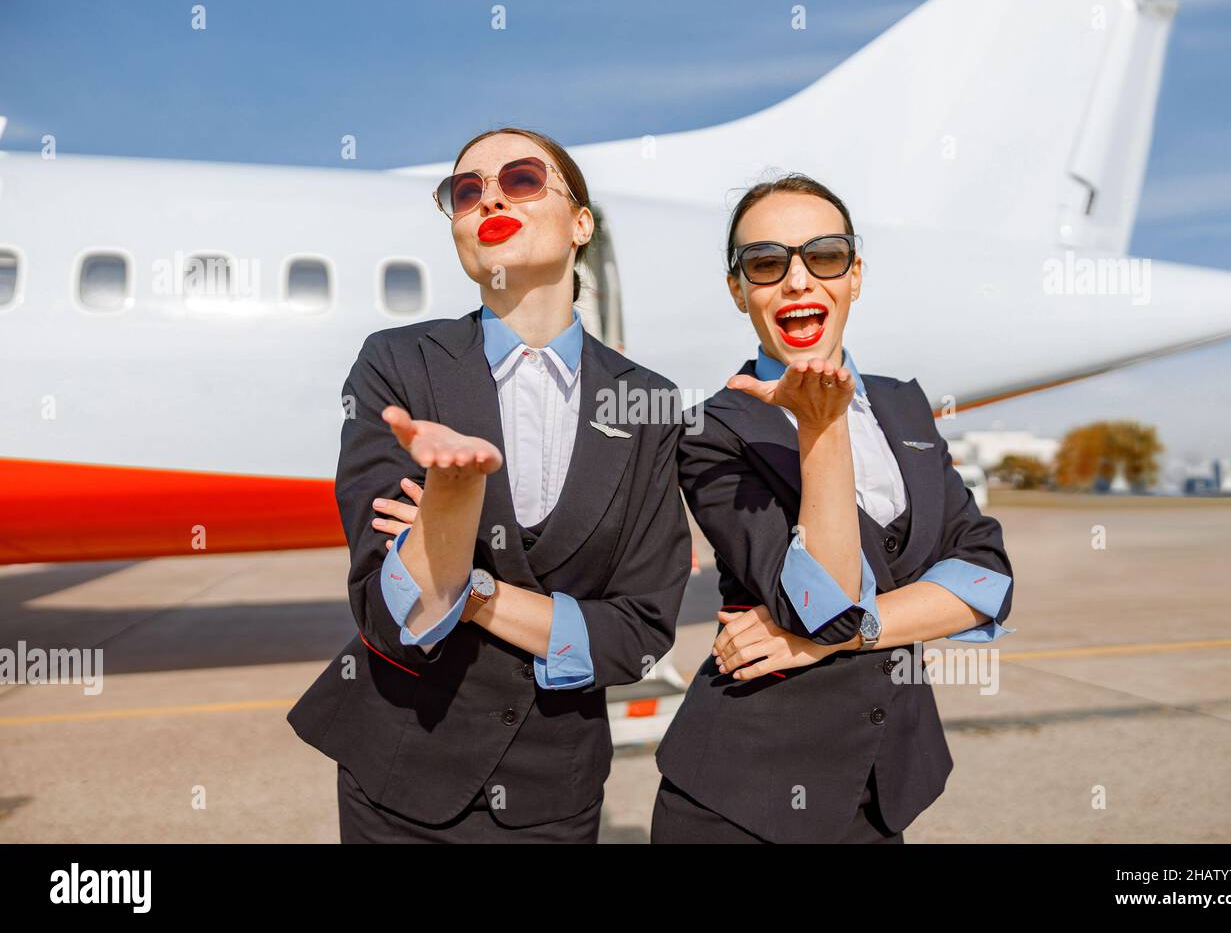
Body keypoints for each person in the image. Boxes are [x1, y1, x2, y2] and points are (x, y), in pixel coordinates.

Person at [287, 127, 692, 842]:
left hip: (552, 793)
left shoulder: (648, 403)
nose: (489, 198)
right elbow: (389, 615)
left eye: (523, 179)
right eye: (465, 191)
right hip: (397, 777)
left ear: (580, 223)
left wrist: (473, 590)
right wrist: (452, 496)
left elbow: (637, 633)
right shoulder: (397, 366)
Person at [650, 173, 1015, 844]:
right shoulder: (712, 431)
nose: (797, 280)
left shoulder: (905, 405)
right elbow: (821, 606)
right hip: (742, 797)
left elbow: (988, 579)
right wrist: (822, 429)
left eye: (823, 256)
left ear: (854, 276)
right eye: (766, 263)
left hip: (881, 792)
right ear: (739, 291)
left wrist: (851, 634)